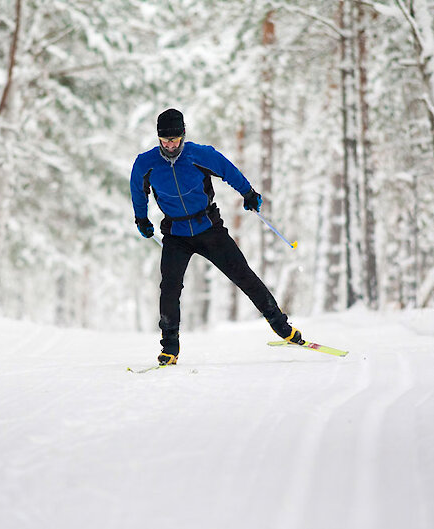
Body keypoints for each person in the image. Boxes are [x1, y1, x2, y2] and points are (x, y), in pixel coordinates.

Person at [129, 108, 304, 366]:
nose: (171, 145)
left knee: (243, 275)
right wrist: (141, 220)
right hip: (175, 234)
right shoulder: (146, 164)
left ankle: (282, 327)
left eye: (175, 140)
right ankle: (170, 348)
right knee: (169, 287)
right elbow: (137, 191)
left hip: (208, 227)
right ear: (158, 139)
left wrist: (248, 193)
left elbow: (228, 171)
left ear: (183, 136)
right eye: (165, 141)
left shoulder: (200, 155)